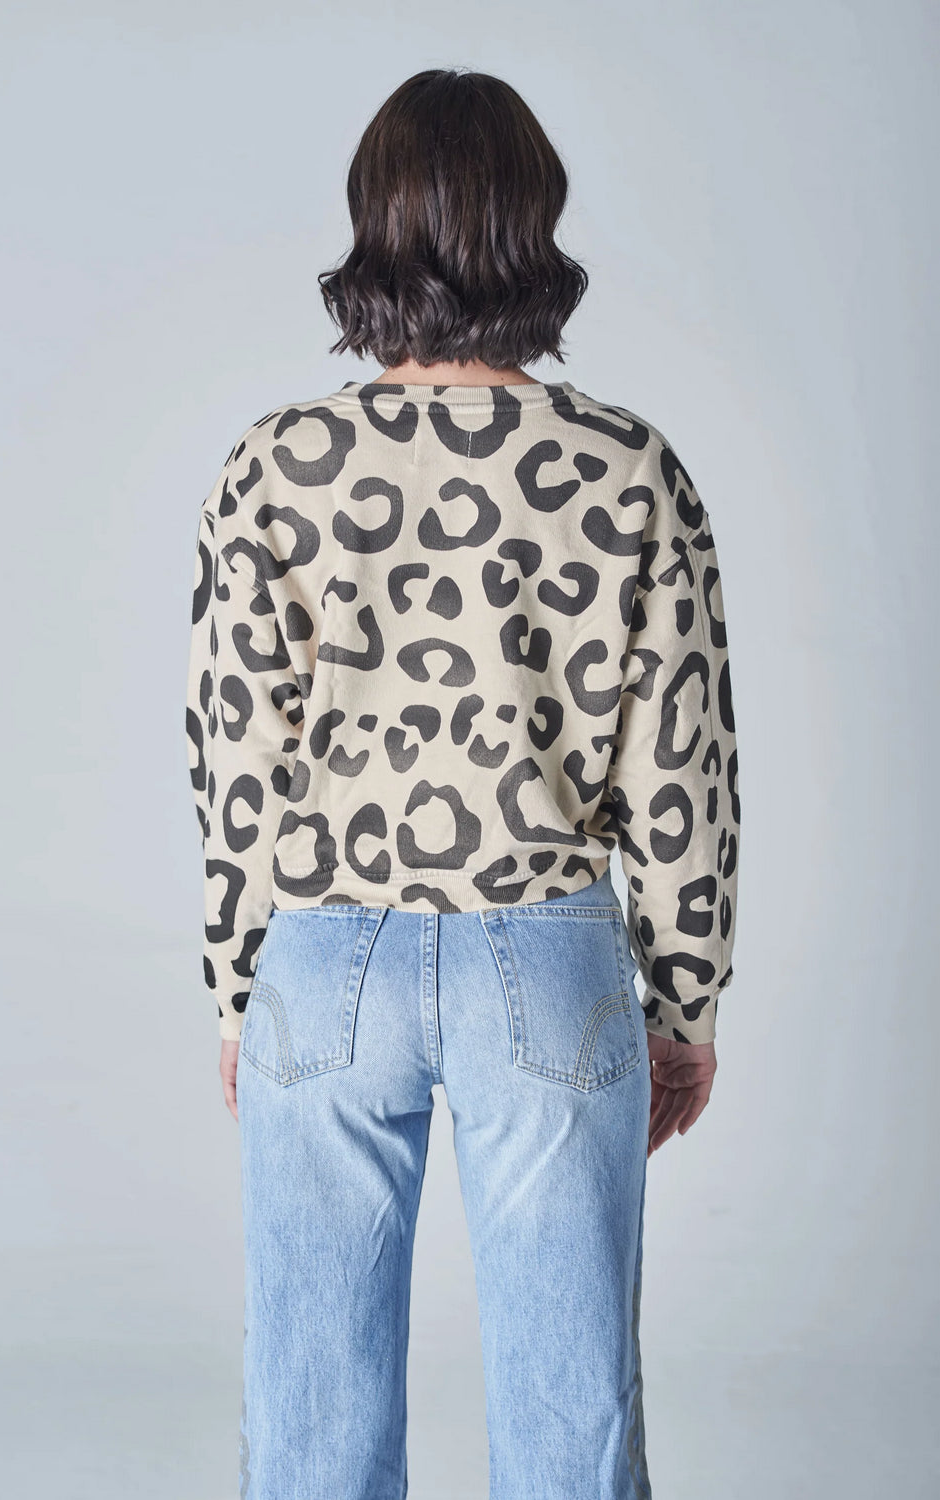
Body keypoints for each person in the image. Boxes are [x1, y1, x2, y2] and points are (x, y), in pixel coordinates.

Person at [185, 66, 740, 1500]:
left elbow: (237, 759)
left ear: (373, 223)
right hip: (547, 951)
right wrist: (683, 1004)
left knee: (310, 1414)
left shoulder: (274, 465)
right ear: (531, 222)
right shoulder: (628, 469)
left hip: (324, 953)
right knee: (571, 1414)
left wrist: (241, 990)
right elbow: (680, 766)